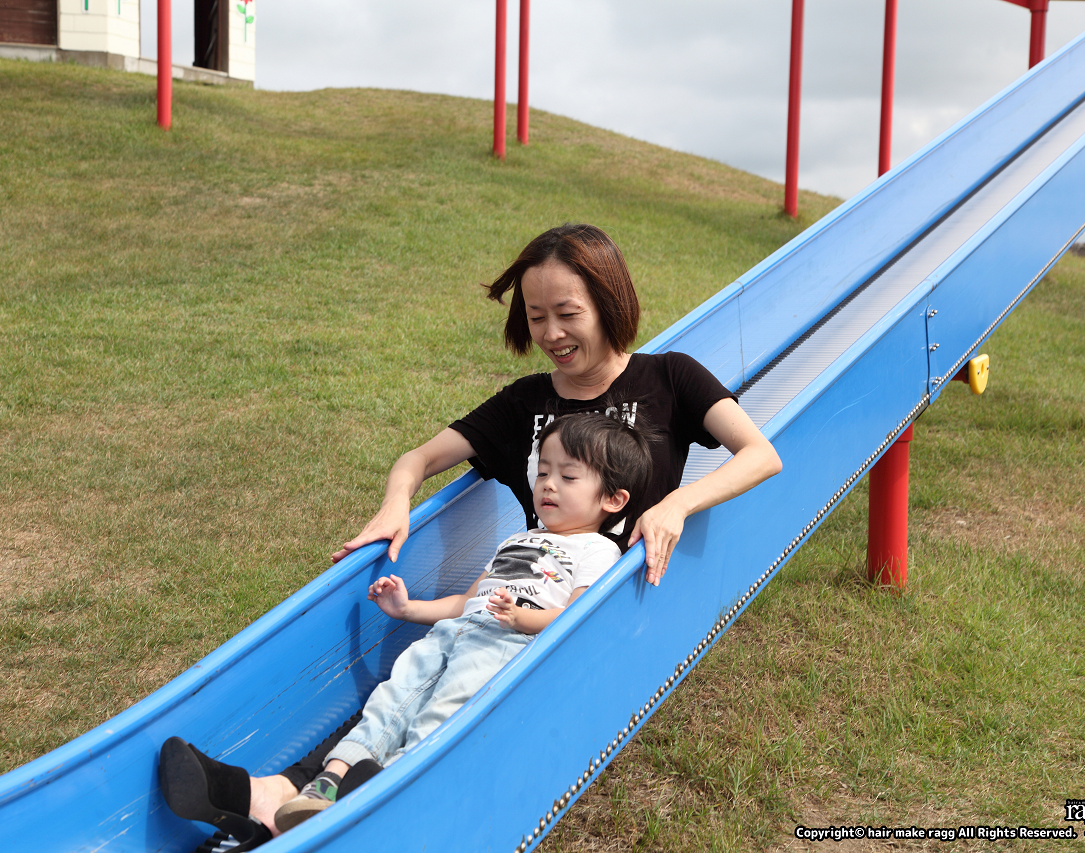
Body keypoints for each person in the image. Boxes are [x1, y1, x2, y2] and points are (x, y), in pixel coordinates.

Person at [159, 223, 782, 850]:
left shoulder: (669, 378)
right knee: (412, 680)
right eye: (536, 317)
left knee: (445, 696)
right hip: (507, 595)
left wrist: (677, 504)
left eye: (567, 314)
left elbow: (760, 455)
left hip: (583, 616)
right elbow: (418, 458)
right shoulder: (525, 403)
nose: (551, 334)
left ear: (608, 304)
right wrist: (396, 503)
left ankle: (319, 803)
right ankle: (276, 798)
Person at [264, 412, 652, 830]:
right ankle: (328, 783)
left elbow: (577, 615)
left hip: (503, 644)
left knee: (443, 711)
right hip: (452, 631)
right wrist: (408, 609)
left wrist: (520, 617)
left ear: (613, 500)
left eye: (568, 476)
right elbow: (466, 601)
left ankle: (389, 789)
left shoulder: (597, 549)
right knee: (394, 696)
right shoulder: (517, 539)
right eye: (543, 472)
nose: (548, 484)